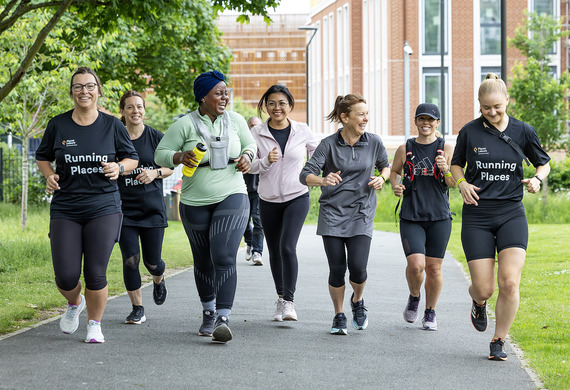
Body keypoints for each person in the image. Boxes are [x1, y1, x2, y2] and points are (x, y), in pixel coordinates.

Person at [450, 73, 551, 360]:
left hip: (511, 213)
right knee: (484, 288)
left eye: (498, 106)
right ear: (479, 105)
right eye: (486, 108)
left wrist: (537, 179)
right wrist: (461, 183)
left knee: (509, 282)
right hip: (478, 215)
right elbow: (456, 164)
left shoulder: (523, 130)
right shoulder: (470, 131)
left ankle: (499, 340)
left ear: (507, 100)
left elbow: (542, 163)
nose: (492, 113)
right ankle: (477, 301)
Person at [36, 66, 139, 343]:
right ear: (71, 92)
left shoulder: (112, 125)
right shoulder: (58, 124)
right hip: (66, 207)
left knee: (95, 272)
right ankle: (74, 303)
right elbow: (42, 157)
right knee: (66, 276)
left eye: (90, 86)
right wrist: (49, 176)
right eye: (79, 86)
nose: (84, 91)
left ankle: (95, 324)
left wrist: (119, 167)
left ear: (98, 91)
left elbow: (132, 158)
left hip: (103, 206)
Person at [154, 70, 256, 343]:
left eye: (226, 92)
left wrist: (247, 156)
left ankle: (223, 318)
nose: (225, 96)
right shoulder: (184, 124)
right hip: (194, 200)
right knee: (202, 259)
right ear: (203, 97)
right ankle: (208, 311)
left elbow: (250, 145)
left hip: (232, 192)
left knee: (223, 255)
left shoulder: (234, 120)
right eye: (218, 92)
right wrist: (178, 155)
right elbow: (160, 154)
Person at [300, 94, 390, 335]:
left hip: (361, 212)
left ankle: (357, 301)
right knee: (337, 268)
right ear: (344, 117)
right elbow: (305, 174)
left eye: (366, 113)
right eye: (360, 114)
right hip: (333, 214)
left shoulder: (374, 142)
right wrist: (322, 179)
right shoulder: (328, 144)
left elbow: (386, 165)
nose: (365, 118)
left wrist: (382, 178)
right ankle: (339, 314)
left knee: (358, 268)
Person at [249, 85, 318, 322]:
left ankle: (289, 302)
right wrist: (265, 161)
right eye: (271, 103)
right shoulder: (256, 133)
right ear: (265, 106)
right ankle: (280, 298)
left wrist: (312, 174)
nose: (277, 108)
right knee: (274, 250)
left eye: (282, 103)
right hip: (267, 200)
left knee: (288, 247)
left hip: (297, 196)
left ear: (290, 105)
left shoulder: (302, 130)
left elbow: (319, 155)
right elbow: (249, 166)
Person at [390, 103, 456, 331]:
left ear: (438, 123)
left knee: (434, 269)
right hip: (411, 215)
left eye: (431, 119)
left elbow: (453, 183)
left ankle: (430, 312)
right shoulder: (405, 147)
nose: (426, 123)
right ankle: (414, 296)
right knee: (416, 265)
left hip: (439, 216)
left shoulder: (445, 147)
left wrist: (446, 168)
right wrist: (396, 186)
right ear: (416, 121)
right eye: (422, 119)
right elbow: (394, 172)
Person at [117, 91, 174, 325]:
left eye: (139, 107)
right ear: (122, 111)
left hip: (152, 209)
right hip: (123, 209)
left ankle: (158, 280)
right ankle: (137, 308)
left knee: (152, 262)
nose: (135, 111)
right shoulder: (115, 136)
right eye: (130, 107)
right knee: (130, 260)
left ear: (144, 110)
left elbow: (171, 166)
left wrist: (155, 173)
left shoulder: (156, 138)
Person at [243, 116, 264, 266]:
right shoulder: (242, 143)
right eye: (251, 125)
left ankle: (257, 251)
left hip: (258, 190)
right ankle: (249, 242)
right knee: (243, 221)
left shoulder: (264, 144)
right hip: (242, 189)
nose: (254, 128)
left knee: (257, 220)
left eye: (257, 125)